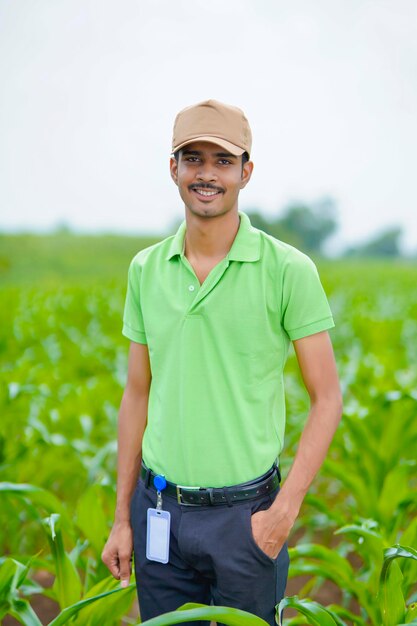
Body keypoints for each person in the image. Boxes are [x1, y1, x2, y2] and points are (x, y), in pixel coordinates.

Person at [101, 99, 343, 625]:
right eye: (193, 159)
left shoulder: (288, 270)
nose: (206, 174)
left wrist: (283, 512)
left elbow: (327, 399)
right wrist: (123, 518)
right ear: (174, 169)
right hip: (160, 511)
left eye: (222, 161)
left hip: (247, 519)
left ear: (245, 172)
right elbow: (136, 394)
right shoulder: (146, 270)